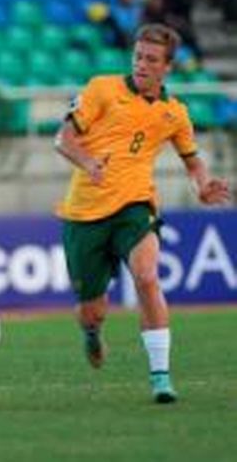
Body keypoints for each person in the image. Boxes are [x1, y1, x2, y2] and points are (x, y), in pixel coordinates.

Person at [54, 23, 230, 404]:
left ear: (167, 66)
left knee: (148, 277)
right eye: (138, 57)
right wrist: (88, 163)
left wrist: (202, 184)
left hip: (136, 206)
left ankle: (161, 377)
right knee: (92, 312)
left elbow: (193, 160)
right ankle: (91, 332)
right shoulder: (102, 88)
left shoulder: (174, 113)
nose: (142, 65)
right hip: (85, 214)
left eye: (152, 59)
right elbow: (63, 139)